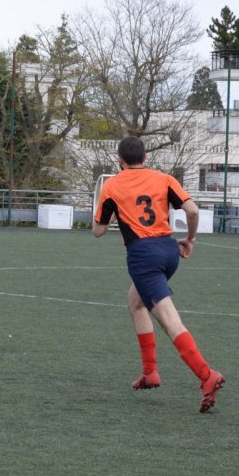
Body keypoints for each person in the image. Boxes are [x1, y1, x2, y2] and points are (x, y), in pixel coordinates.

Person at [93, 135, 225, 413]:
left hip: (144, 257)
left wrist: (115, 213)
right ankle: (150, 372)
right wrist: (190, 239)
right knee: (135, 302)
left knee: (169, 321)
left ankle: (206, 375)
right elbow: (192, 209)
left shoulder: (112, 185)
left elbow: (98, 230)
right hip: (168, 250)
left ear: (119, 161)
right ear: (146, 158)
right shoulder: (164, 178)